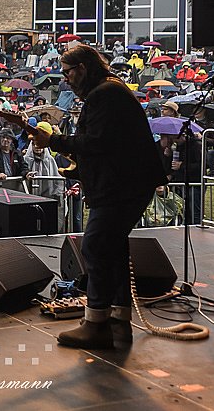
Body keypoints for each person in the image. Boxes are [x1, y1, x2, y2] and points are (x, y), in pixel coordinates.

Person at [29, 44, 166, 350]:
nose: (65, 80)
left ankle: (96, 324)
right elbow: (110, 144)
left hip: (122, 186)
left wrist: (53, 140)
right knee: (112, 248)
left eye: (67, 73)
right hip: (126, 182)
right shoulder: (110, 89)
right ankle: (117, 316)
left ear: (82, 68)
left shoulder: (105, 94)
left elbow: (96, 142)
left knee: (96, 245)